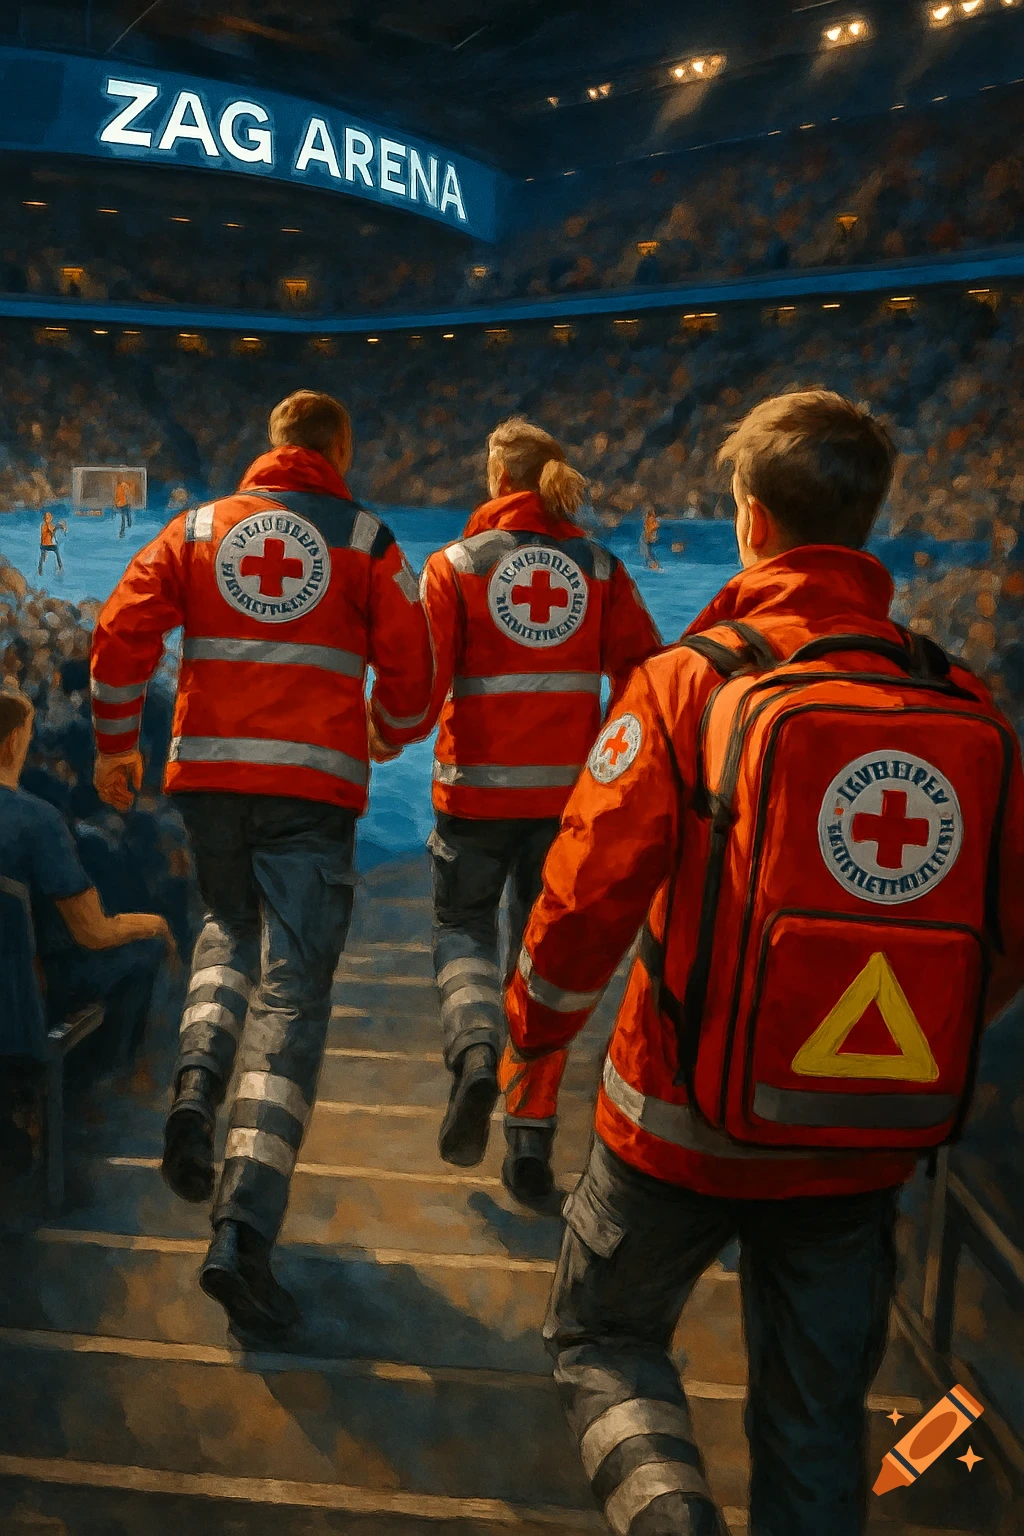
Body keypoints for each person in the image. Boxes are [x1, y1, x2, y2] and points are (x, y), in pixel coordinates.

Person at [503, 390, 1024, 1536]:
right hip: (854, 1147)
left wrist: (532, 1045)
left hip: (675, 1125)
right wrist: (884, 1053)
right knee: (816, 1421)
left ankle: (667, 1513)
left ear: (748, 519)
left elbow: (584, 898)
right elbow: (1008, 931)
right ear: (871, 521)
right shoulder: (961, 702)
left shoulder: (689, 683)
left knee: (603, 1337)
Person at [90, 389, 434, 1340]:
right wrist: (393, 728)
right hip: (312, 798)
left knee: (225, 927)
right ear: (340, 447)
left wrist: (116, 743)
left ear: (271, 447)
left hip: (209, 782)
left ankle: (195, 1081)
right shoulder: (366, 538)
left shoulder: (198, 527)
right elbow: (414, 668)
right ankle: (243, 1231)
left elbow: (120, 630)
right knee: (292, 1000)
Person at [410, 418, 660, 1200]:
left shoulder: (453, 567)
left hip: (475, 798)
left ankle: (475, 1053)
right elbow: (645, 678)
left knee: (463, 932)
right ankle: (528, 1141)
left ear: (494, 478)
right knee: (541, 965)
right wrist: (607, 761)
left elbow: (422, 689)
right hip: (566, 805)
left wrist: (380, 732)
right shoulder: (600, 569)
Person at [0, 688, 171, 1075]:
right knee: (144, 953)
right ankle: (106, 1086)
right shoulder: (38, 820)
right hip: (18, 1008)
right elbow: (92, 932)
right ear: (13, 741)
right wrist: (153, 923)